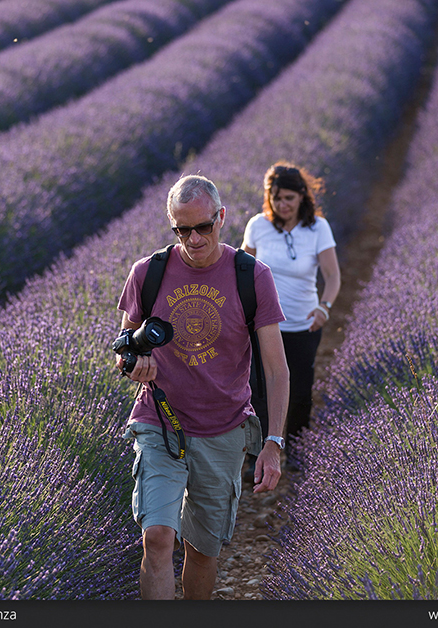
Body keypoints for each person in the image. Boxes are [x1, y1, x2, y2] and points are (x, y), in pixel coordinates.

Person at [115, 174, 290, 600]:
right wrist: (134, 364)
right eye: (182, 229)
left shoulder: (252, 276)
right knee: (157, 536)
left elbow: (276, 368)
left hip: (223, 428)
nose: (193, 239)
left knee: (202, 549)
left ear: (221, 218)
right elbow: (123, 345)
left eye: (203, 227)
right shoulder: (148, 273)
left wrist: (273, 443)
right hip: (159, 422)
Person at [240, 162, 341, 450]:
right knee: (257, 392)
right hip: (263, 326)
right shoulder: (258, 226)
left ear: (302, 197)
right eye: (277, 198)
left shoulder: (318, 228)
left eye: (289, 198)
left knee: (299, 392)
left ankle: (296, 450)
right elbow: (242, 272)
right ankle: (255, 455)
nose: (283, 204)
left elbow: (332, 276)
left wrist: (325, 307)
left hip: (302, 324)